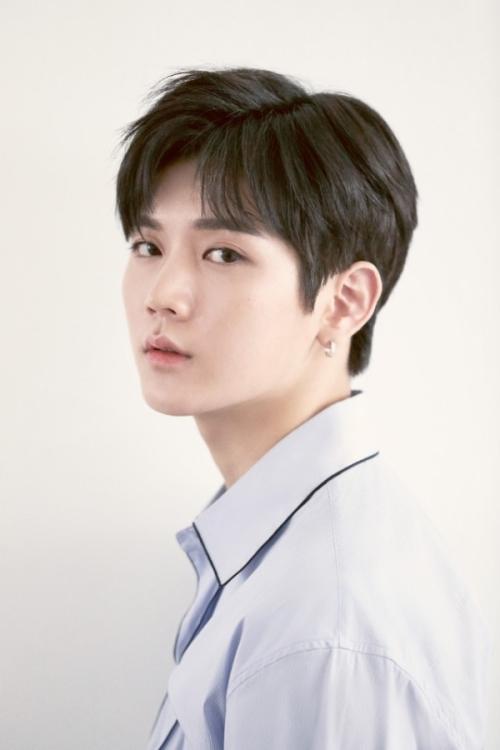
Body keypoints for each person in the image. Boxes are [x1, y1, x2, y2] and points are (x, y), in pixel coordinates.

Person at [115, 67, 491, 749]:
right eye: (149, 246)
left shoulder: (322, 631)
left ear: (344, 301)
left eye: (223, 253)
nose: (162, 293)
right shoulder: (283, 549)